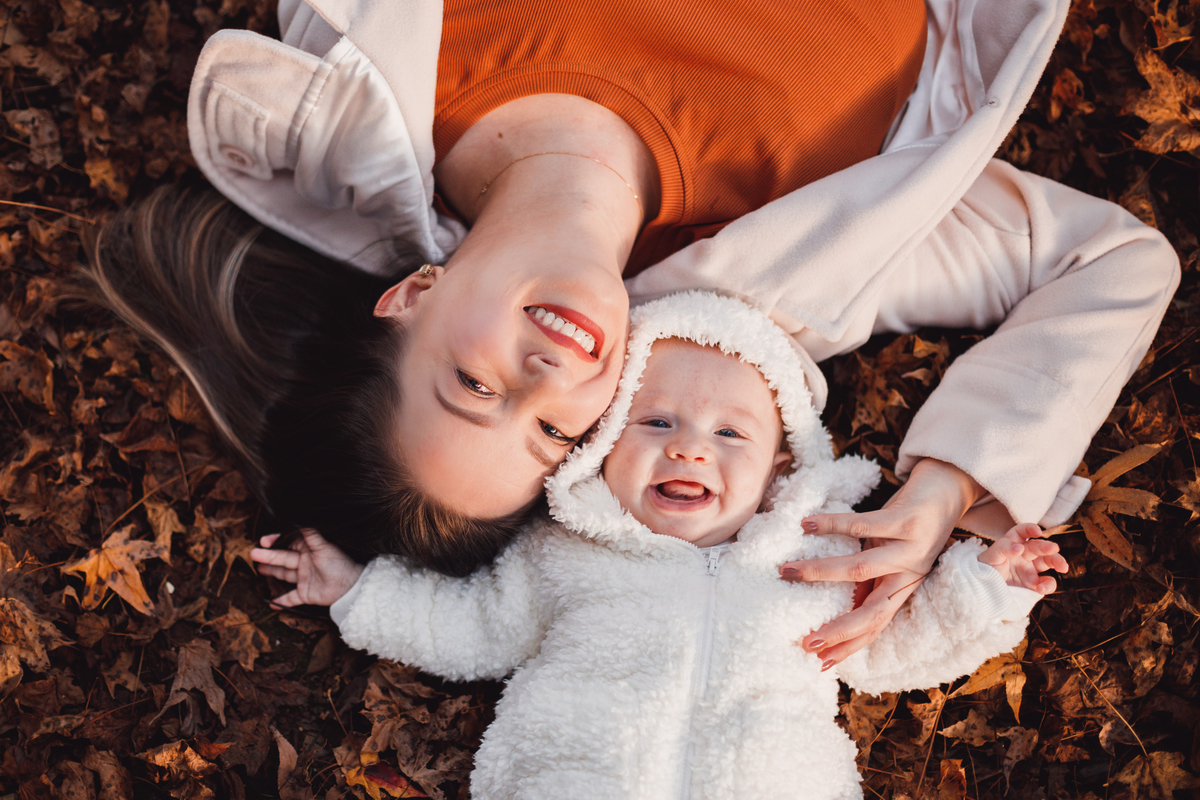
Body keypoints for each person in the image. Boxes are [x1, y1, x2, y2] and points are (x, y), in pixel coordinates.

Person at [83, 0, 1178, 662]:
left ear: (408, 299)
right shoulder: (806, 266)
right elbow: (1119, 261)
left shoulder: (383, 63)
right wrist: (948, 485)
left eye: (474, 385)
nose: (552, 376)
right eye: (554, 435)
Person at [250, 292, 1068, 799]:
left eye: (728, 432)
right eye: (657, 423)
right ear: (604, 445)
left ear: (785, 463)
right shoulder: (564, 556)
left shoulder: (821, 562)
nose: (689, 449)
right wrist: (359, 590)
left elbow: (898, 647)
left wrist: (989, 589)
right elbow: (468, 627)